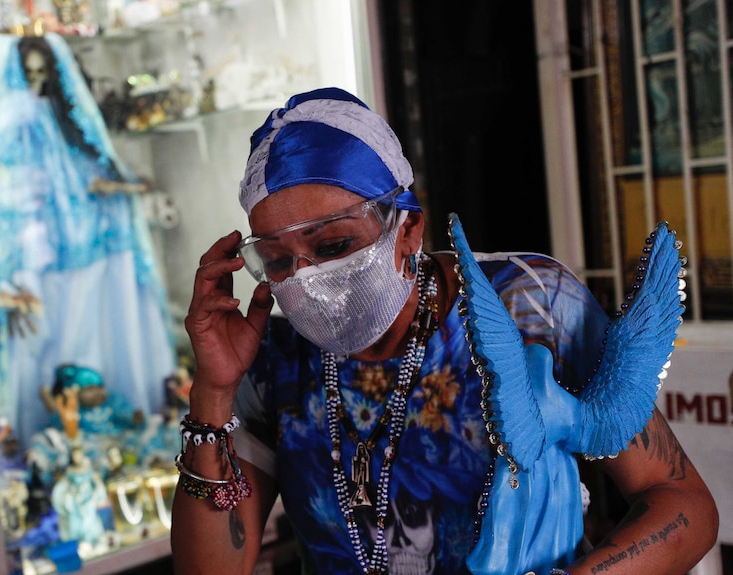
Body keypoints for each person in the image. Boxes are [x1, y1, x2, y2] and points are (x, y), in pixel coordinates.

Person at [171, 87, 719, 575]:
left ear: (408, 227)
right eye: (277, 260)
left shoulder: (528, 302)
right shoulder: (275, 356)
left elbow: (682, 504)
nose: (308, 278)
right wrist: (214, 390)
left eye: (333, 245)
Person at [0, 33, 176, 445]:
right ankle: (36, 433)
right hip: (35, 254)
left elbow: (92, 176)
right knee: (36, 334)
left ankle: (103, 423)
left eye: (42, 74)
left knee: (83, 321)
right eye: (29, 75)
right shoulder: (10, 135)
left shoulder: (64, 130)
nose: (36, 84)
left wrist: (122, 189)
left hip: (80, 245)